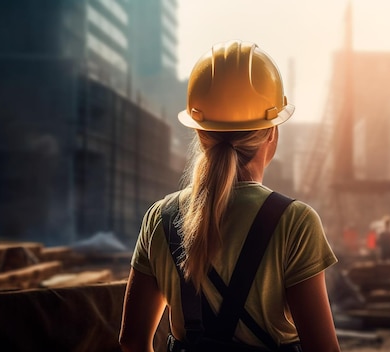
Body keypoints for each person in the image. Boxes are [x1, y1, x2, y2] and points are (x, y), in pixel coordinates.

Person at [119, 40, 340, 352]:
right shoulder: (295, 222)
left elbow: (132, 341)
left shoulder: (161, 217)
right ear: (272, 133)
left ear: (199, 132)